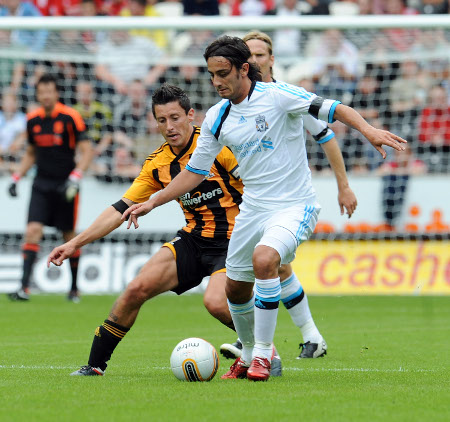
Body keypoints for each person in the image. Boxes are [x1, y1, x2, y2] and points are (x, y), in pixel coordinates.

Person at [120, 36, 406, 381]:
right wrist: (154, 200)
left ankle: (262, 357)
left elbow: (335, 110)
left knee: (266, 259)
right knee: (235, 288)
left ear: (244, 69)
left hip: (294, 205)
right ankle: (247, 354)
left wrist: (368, 130)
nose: (216, 81)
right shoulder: (217, 117)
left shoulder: (280, 96)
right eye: (212, 74)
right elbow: (194, 172)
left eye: (223, 73)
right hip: (253, 210)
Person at [47, 84, 282, 377]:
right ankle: (94, 366)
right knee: (136, 289)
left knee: (215, 302)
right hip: (195, 239)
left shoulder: (219, 146)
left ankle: (264, 351)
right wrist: (74, 243)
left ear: (191, 115)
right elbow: (119, 209)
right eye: (162, 120)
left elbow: (259, 185)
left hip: (236, 240)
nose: (169, 126)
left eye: (175, 118)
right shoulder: (157, 164)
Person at [218, 30, 358, 361]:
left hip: (288, 201)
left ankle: (260, 347)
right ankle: (305, 339)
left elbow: (326, 136)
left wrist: (343, 185)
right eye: (248, 55)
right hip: (253, 200)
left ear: (271, 59)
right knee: (274, 267)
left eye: (260, 54)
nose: (254, 60)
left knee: (270, 264)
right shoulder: (232, 105)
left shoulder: (287, 97)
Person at [7, 74, 93, 302]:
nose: (45, 96)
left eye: (49, 91)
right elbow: (31, 153)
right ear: (37, 94)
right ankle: (23, 288)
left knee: (68, 235)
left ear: (57, 93)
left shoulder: (71, 117)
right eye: (41, 92)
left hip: (66, 184)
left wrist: (76, 176)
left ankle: (74, 289)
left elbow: (87, 151)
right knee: (32, 231)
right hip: (41, 184)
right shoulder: (32, 119)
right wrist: (16, 177)